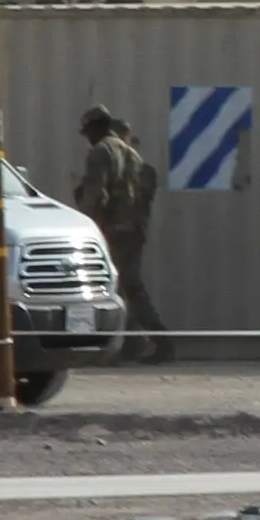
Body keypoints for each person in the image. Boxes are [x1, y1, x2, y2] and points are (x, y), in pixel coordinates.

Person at [73, 103, 166, 363]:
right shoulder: (130, 152)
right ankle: (134, 345)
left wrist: (85, 224)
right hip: (133, 229)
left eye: (88, 132)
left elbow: (95, 194)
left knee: (118, 287)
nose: (87, 138)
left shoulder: (101, 151)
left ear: (96, 128)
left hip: (113, 230)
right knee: (127, 287)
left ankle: (158, 343)